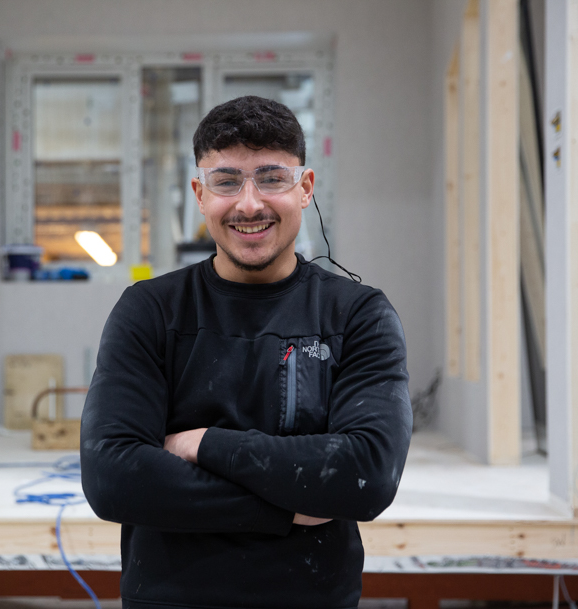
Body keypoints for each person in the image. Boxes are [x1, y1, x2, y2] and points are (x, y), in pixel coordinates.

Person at [81, 95, 411, 609]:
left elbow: (366, 474)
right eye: (227, 181)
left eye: (272, 178)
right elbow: (113, 478)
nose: (250, 204)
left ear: (305, 188)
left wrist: (204, 444)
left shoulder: (356, 316)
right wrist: (287, 509)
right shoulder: (150, 311)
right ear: (200, 194)